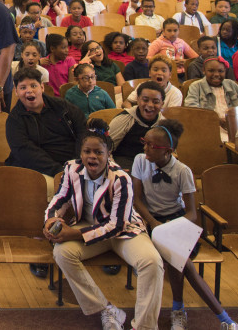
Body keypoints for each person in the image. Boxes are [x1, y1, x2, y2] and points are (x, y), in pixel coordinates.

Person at [44, 119, 163, 330]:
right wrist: (51, 219)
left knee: (152, 261)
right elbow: (60, 198)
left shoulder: (120, 178)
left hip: (124, 232)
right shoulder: (71, 169)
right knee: (62, 253)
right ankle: (107, 309)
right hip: (88, 226)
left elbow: (116, 225)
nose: (92, 156)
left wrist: (75, 235)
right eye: (87, 151)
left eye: (98, 152)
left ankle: (144, 326)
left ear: (108, 154)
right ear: (80, 153)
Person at [130, 119, 238, 330]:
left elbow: (191, 214)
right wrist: (154, 224)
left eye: (152, 146)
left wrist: (168, 228)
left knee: (180, 262)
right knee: (180, 263)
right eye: (145, 142)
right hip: (149, 220)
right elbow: (136, 200)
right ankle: (217, 318)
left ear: (168, 151)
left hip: (177, 221)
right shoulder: (139, 160)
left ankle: (213, 318)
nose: (145, 148)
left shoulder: (182, 171)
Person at [5, 65, 87, 196]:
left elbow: (82, 131)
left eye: (33, 86)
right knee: (59, 190)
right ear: (16, 92)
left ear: (42, 87)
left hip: (74, 162)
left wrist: (79, 161)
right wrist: (60, 171)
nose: (29, 91)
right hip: (42, 170)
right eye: (23, 88)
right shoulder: (14, 121)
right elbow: (26, 153)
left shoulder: (62, 107)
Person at [184, 57, 238, 137]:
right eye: (211, 71)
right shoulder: (196, 86)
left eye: (221, 71)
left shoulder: (231, 84)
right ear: (204, 71)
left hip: (235, 124)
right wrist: (217, 120)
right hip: (209, 126)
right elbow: (192, 109)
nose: (216, 74)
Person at [110, 81, 166, 170]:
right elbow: (106, 148)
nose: (150, 105)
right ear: (138, 100)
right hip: (124, 163)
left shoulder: (163, 124)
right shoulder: (124, 119)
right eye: (145, 100)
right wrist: (114, 168)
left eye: (156, 102)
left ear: (162, 104)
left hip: (152, 165)